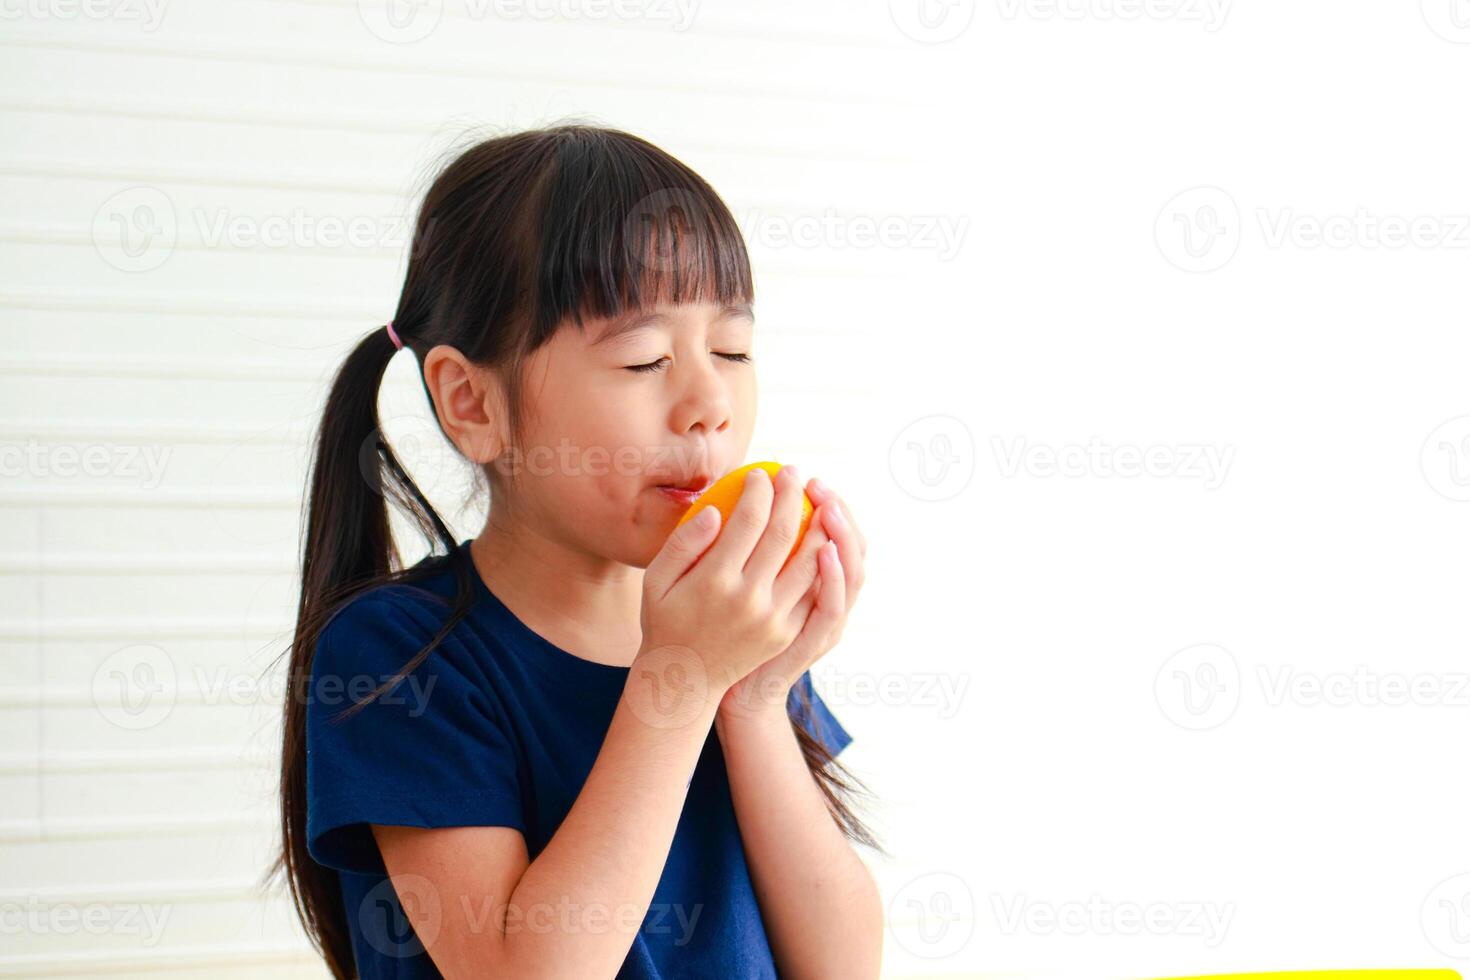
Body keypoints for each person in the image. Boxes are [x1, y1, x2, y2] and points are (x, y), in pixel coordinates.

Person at [268, 122, 884, 979]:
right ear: (471, 402)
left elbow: (842, 964)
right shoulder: (400, 656)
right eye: (644, 360)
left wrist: (755, 694)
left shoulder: (724, 631)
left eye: (733, 350)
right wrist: (685, 679)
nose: (710, 402)